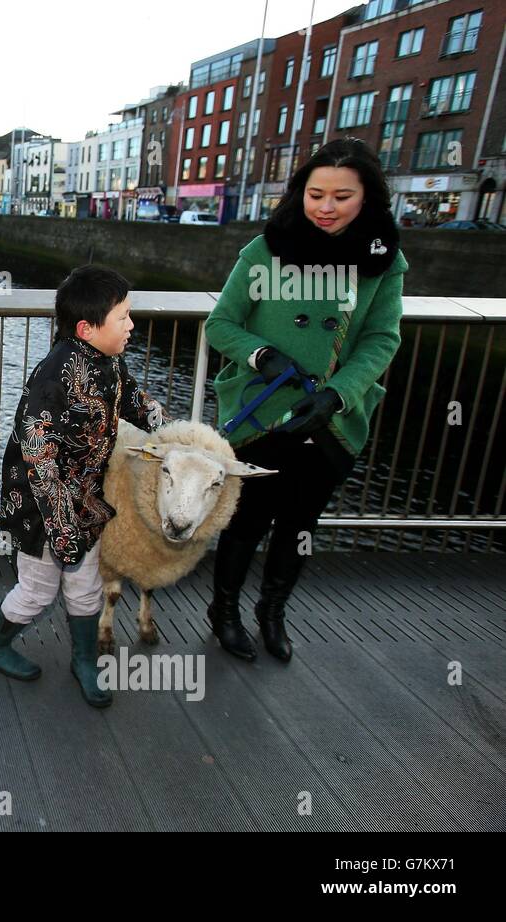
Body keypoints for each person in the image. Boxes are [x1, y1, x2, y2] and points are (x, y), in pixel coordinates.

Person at [204, 138, 406, 663]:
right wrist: (262, 356)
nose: (326, 206)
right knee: (247, 521)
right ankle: (223, 612)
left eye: (342, 195)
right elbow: (221, 323)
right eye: (316, 193)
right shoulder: (266, 248)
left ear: (367, 198)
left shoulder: (384, 260)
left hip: (329, 419)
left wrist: (339, 394)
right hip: (264, 418)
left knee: (300, 526)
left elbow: (381, 339)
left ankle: (272, 612)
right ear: (301, 194)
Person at [0, 265, 170, 707]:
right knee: (37, 591)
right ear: (87, 328)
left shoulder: (109, 364)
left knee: (84, 585)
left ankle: (84, 660)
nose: (130, 324)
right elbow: (38, 459)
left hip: (83, 501)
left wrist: (168, 429)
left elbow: (133, 402)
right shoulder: (52, 377)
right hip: (41, 508)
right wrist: (63, 529)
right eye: (123, 317)